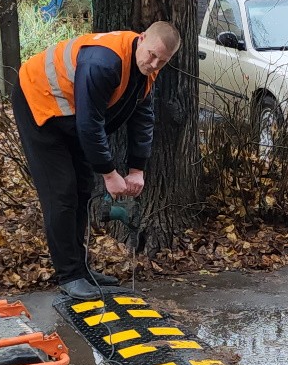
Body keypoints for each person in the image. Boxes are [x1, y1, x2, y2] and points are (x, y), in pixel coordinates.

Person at [12, 21, 181, 300]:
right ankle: (69, 276)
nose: (153, 64)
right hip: (39, 104)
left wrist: (137, 168)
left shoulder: (146, 70)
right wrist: (109, 173)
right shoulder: (103, 63)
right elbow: (90, 124)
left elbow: (142, 118)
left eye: (162, 61)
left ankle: (81, 269)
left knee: (81, 188)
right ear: (141, 39)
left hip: (70, 115)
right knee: (62, 193)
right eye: (151, 55)